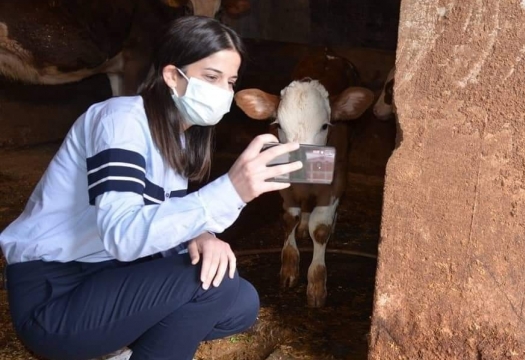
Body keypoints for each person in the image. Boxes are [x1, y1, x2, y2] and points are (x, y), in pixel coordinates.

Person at [0, 16, 302, 360]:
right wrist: (230, 191)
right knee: (211, 285)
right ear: (172, 76)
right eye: (211, 77)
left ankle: (124, 349)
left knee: (242, 303)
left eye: (230, 82)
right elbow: (123, 236)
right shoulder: (121, 119)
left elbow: (154, 221)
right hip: (54, 296)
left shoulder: (178, 139)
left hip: (106, 275)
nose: (224, 92)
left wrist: (200, 235)